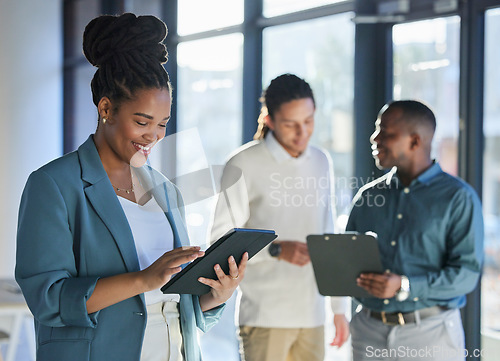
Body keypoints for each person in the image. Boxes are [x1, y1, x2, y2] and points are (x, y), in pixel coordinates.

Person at [15, 13, 247, 361]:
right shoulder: (53, 185)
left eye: (162, 124)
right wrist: (142, 279)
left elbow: (177, 303)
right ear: (106, 108)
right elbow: (49, 300)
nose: (152, 137)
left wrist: (218, 293)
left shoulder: (167, 191)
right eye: (142, 121)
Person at [209, 73, 350, 361]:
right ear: (270, 120)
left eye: (309, 120)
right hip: (264, 318)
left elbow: (329, 237)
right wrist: (275, 250)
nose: (303, 133)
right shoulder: (242, 164)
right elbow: (219, 245)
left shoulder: (322, 161)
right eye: (291, 124)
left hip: (313, 317)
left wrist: (339, 310)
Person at [346, 100, 484, 361]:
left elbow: (466, 274)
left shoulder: (458, 198)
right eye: (377, 130)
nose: (374, 138)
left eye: (386, 133)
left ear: (415, 141)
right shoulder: (368, 196)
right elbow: (347, 258)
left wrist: (405, 286)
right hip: (368, 331)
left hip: (430, 335)